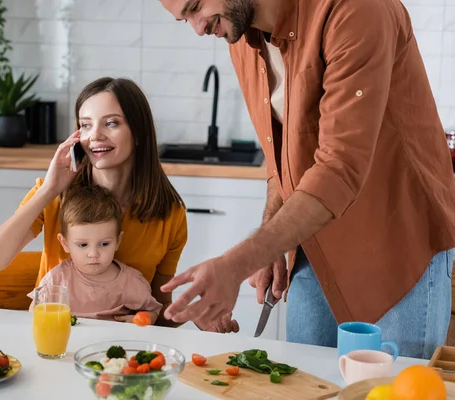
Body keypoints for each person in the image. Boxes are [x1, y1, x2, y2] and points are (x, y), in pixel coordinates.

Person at [159, 0, 455, 359]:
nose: (198, 27)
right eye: (182, 19)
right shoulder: (239, 34)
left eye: (195, 6)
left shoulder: (356, 10)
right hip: (315, 243)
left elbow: (338, 167)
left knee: (394, 391)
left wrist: (238, 263)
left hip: (398, 245)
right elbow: (281, 153)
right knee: (305, 385)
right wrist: (269, 238)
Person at [0, 77, 239, 333]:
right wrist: (49, 190)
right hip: (59, 345)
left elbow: (158, 313)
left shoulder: (169, 214)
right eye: (86, 125)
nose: (95, 136)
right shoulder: (56, 195)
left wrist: (195, 315)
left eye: (111, 123)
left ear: (138, 132)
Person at [28, 185, 162, 324]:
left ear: (118, 241)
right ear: (65, 243)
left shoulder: (132, 282)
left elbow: (152, 311)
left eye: (104, 244)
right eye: (83, 245)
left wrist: (139, 320)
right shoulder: (57, 280)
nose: (93, 254)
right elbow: (34, 312)